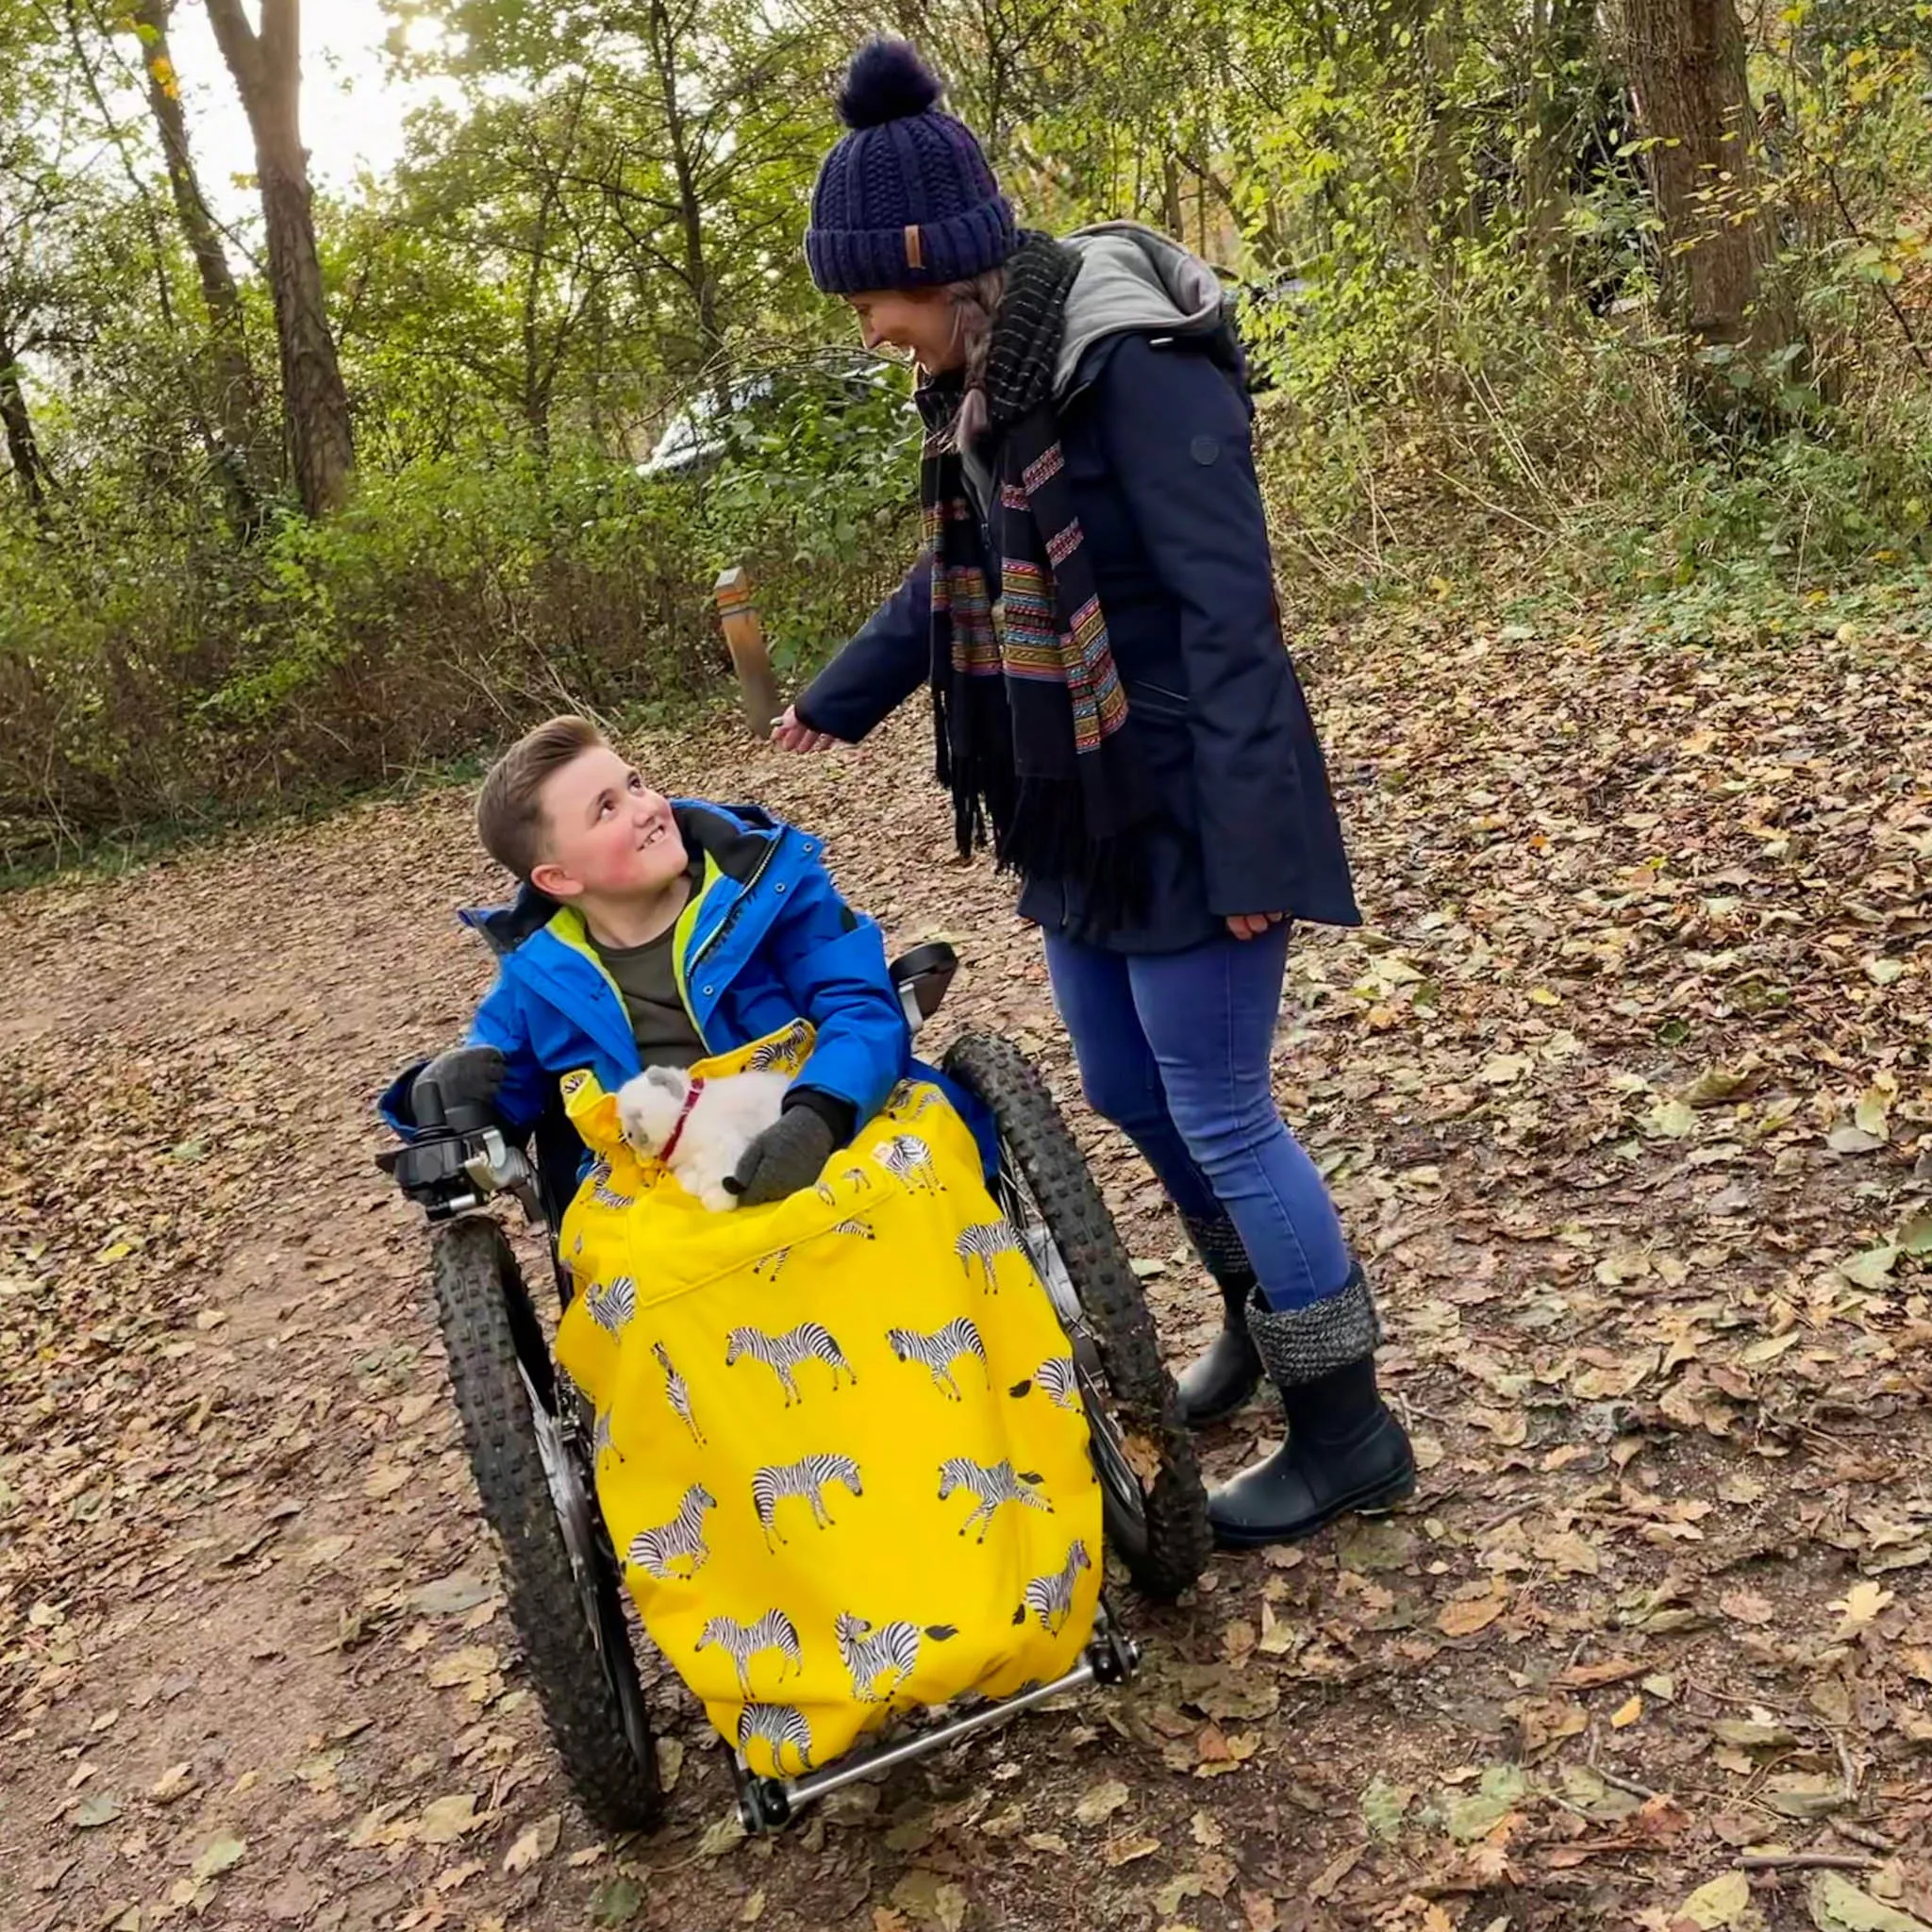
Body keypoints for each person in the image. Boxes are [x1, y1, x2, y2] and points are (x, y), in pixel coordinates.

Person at [773, 40, 1414, 1547]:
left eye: (875, 302)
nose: (869, 332)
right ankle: (1264, 1327)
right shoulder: (988, 381)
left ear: (943, 271)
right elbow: (960, 567)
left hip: (1187, 788)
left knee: (1222, 1107)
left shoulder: (1131, 360)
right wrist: (841, 696)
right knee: (1126, 1091)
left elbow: (1230, 608)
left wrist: (1253, 834)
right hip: (1077, 797)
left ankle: (1351, 1428)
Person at [380, 714, 908, 1203]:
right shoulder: (538, 981)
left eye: (635, 784)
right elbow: (497, 1106)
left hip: (832, 1129)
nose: (649, 808)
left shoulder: (769, 893)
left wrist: (820, 1114)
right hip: (661, 1199)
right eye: (606, 808)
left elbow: (860, 1007)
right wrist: (437, 1095)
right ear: (559, 878)